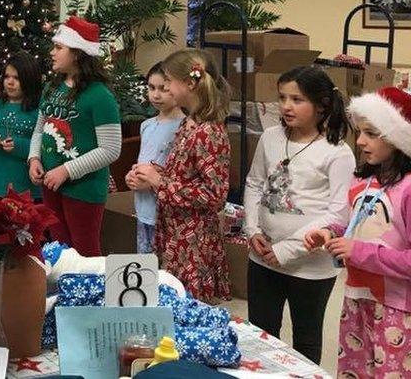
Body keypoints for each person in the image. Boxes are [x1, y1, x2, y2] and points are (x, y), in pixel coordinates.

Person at [240, 66, 353, 365]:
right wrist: (252, 230)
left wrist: (288, 250)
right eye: (282, 97)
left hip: (310, 266)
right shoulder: (270, 137)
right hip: (262, 257)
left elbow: (338, 212)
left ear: (321, 105)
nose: (286, 106)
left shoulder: (337, 152)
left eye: (297, 99)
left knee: (306, 338)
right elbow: (254, 183)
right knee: (261, 334)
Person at [304, 86, 411, 377]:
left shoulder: (409, 188)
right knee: (353, 371)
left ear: (399, 136)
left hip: (397, 310)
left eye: (372, 133)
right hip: (356, 298)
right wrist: (330, 232)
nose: (361, 141)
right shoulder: (363, 179)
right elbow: (354, 223)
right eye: (359, 132)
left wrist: (358, 251)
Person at [134, 49, 231, 302]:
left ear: (189, 83)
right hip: (174, 233)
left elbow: (214, 195)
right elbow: (186, 174)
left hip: (191, 243)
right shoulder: (191, 124)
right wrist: (155, 173)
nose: (166, 87)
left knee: (183, 307)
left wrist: (159, 181)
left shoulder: (207, 131)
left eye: (169, 82)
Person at [28, 17, 121, 258]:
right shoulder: (51, 88)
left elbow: (111, 149)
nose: (52, 53)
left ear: (78, 53)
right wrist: (34, 158)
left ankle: (90, 295)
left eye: (59, 48)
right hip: (51, 184)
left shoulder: (100, 95)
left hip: (83, 188)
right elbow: (40, 129)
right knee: (60, 250)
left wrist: (67, 170)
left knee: (84, 252)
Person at [125, 63, 185, 254]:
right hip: (143, 210)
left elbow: (180, 172)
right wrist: (132, 175)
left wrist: (151, 183)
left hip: (167, 214)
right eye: (151, 88)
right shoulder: (146, 125)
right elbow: (145, 160)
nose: (156, 95)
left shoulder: (185, 127)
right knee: (146, 268)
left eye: (163, 89)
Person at [0, 51, 42, 200]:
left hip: (27, 191)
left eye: (17, 78)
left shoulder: (39, 109)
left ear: (29, 80)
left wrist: (19, 146)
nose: (10, 82)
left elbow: (47, 146)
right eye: (7, 77)